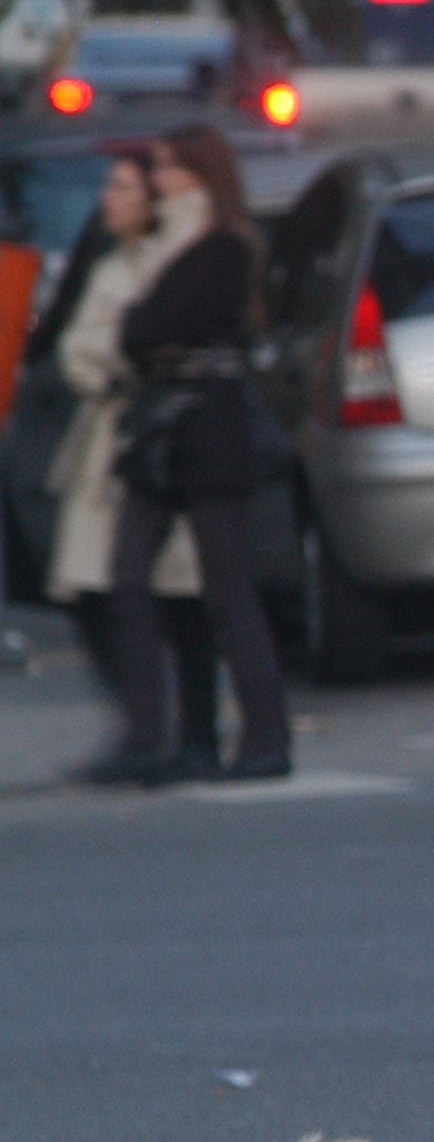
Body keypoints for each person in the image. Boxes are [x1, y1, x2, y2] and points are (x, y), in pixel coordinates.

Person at [102, 123, 290, 784]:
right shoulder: (177, 243)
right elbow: (137, 329)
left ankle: (266, 736)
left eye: (165, 167)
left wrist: (142, 327)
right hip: (164, 427)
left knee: (227, 588)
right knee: (129, 576)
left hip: (207, 424)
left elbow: (151, 324)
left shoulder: (223, 247)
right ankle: (150, 733)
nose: (155, 180)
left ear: (197, 174)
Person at [46, 149, 223, 783]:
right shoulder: (110, 267)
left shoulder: (172, 257)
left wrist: (117, 348)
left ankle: (178, 734)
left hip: (159, 439)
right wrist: (113, 350)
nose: (108, 200)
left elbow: (130, 342)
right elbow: (79, 352)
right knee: (94, 591)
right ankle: (144, 727)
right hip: (108, 444)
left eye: (123, 187)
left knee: (177, 597)